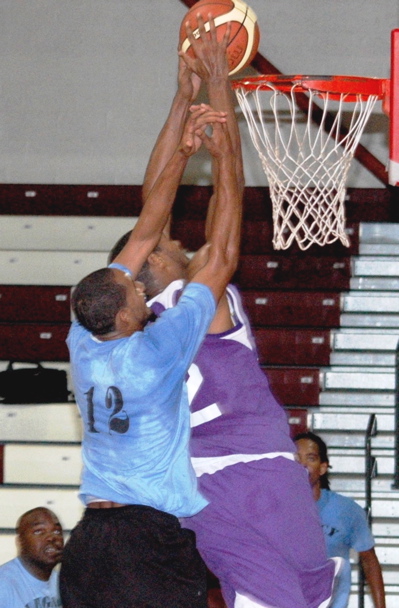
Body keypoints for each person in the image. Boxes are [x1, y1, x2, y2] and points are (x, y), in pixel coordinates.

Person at [109, 15, 342, 608]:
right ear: (152, 270)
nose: (172, 240)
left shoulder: (131, 325)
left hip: (211, 486)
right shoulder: (197, 303)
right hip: (254, 477)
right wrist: (220, 95)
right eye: (165, 246)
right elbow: (226, 227)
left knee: (300, 596)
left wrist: (180, 98)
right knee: (298, 597)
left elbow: (151, 201)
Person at [60, 21, 243, 608]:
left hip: (88, 541)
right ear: (131, 314)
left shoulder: (84, 337)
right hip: (145, 539)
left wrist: (180, 106)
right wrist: (219, 99)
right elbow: (221, 251)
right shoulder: (156, 350)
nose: (137, 276)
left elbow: (147, 223)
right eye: (134, 288)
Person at [294, 432, 386, 608]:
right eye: (296, 458)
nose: (302, 464)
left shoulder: (347, 510)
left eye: (310, 458)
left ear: (322, 468)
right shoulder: (270, 510)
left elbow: (369, 561)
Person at [0, 506, 64, 608]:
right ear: (20, 541)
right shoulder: (3, 585)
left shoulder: (62, 582)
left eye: (57, 531)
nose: (52, 537)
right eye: (39, 531)